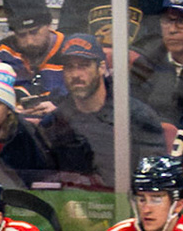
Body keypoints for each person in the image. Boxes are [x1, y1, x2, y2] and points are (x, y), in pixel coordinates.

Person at [39, 34, 168, 181]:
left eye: (84, 66)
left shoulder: (137, 116)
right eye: (69, 67)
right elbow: (44, 179)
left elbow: (153, 178)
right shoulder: (54, 123)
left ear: (101, 68)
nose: (75, 74)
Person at [0, 0, 66, 116]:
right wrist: (9, 110)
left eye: (34, 32)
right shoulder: (3, 52)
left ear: (48, 24)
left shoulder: (70, 50)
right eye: (22, 35)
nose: (29, 41)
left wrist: (61, 109)